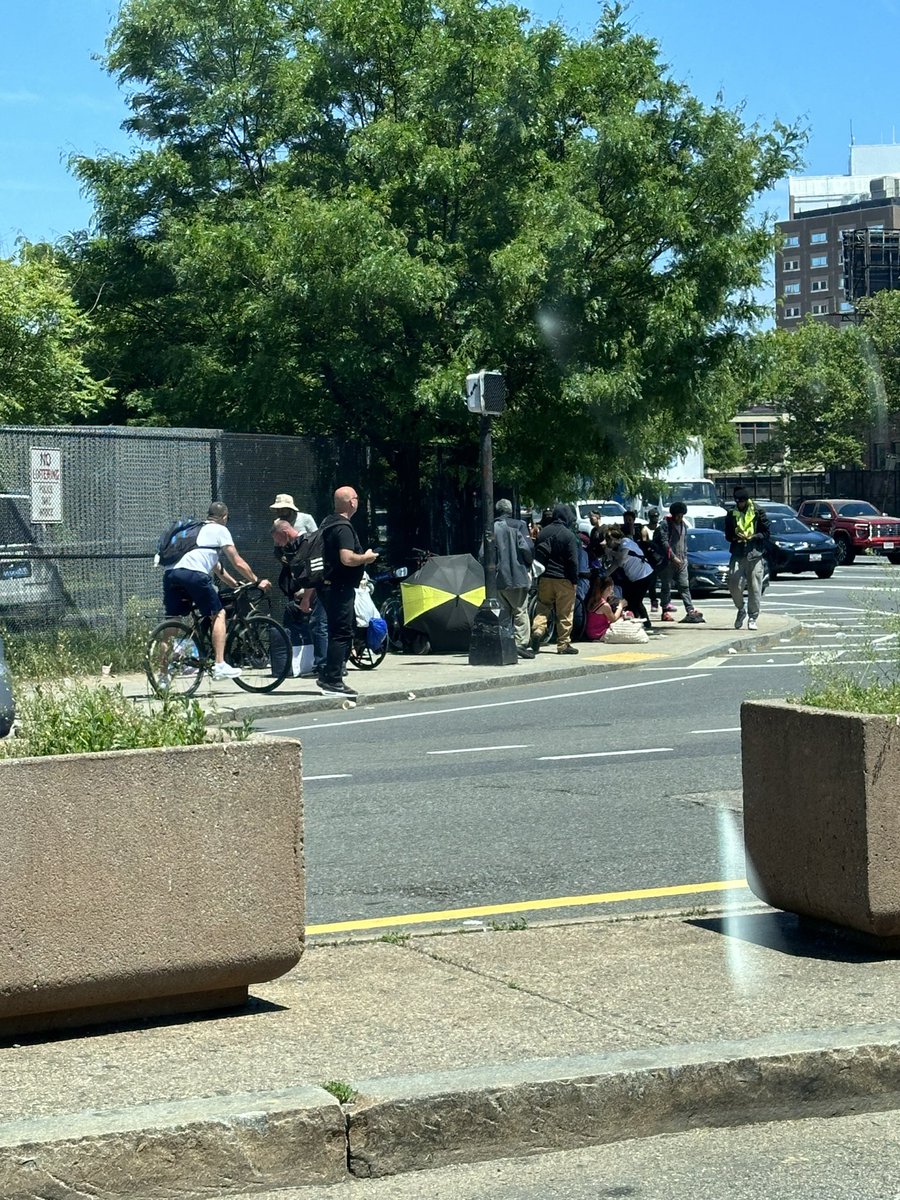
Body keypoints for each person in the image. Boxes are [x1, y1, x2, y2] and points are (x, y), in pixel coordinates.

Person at [163, 501, 270, 679]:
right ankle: (220, 664)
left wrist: (235, 585)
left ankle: (162, 675)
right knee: (218, 614)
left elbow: (218, 569)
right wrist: (257, 581)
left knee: (172, 622)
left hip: (171, 574)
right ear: (224, 517)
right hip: (194, 575)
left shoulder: (194, 532)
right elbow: (237, 561)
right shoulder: (220, 530)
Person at [317, 486, 378, 696]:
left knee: (340, 630)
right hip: (339, 587)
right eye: (356, 498)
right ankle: (334, 679)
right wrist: (367, 558)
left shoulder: (328, 522)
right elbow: (347, 558)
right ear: (351, 502)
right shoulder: (344, 527)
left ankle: (327, 674)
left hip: (326, 585)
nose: (357, 501)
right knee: (341, 632)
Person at [270, 491, 326, 678]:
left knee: (317, 619)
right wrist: (284, 560)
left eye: (283, 510)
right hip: (294, 570)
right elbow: (277, 549)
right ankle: (301, 655)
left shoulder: (305, 521)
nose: (280, 513)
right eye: (278, 510)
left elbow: (317, 541)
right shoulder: (278, 526)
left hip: (309, 567)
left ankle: (322, 661)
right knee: (297, 611)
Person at [486, 499, 535, 659]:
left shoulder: (490, 527)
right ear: (511, 510)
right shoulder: (518, 525)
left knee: (504, 613)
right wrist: (528, 564)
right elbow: (526, 548)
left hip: (498, 579)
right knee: (520, 610)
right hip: (517, 575)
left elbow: (482, 554)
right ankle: (520, 644)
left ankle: (506, 642)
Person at [530, 504, 581, 654]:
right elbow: (573, 561)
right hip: (564, 579)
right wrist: (574, 580)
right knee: (565, 613)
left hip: (545, 577)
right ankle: (563, 644)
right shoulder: (568, 535)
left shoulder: (543, 532)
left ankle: (538, 630)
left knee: (543, 607)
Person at [725, 487, 770, 630]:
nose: (740, 504)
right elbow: (727, 535)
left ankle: (753, 617)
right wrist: (735, 537)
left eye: (743, 502)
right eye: (738, 502)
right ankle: (741, 609)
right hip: (738, 552)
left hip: (755, 553)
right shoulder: (731, 513)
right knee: (733, 584)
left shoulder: (758, 511)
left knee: (755, 587)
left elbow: (767, 532)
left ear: (747, 500)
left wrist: (754, 537)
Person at [654, 501, 704, 624]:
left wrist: (683, 557)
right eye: (678, 515)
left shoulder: (684, 525)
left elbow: (684, 542)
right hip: (669, 562)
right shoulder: (665, 525)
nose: (679, 517)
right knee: (666, 586)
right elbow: (664, 543)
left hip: (682, 561)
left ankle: (690, 610)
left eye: (681, 515)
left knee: (684, 586)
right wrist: (672, 557)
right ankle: (665, 610)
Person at [606, 527, 654, 631]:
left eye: (609, 539)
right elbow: (616, 565)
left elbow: (622, 558)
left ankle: (643, 623)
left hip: (644, 575)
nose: (607, 543)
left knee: (635, 601)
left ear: (614, 538)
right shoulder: (618, 549)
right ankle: (642, 622)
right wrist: (604, 575)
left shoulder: (626, 542)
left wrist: (610, 553)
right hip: (635, 578)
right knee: (633, 600)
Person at [584, 572, 627, 641]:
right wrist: (620, 606)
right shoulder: (604, 605)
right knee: (626, 617)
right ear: (609, 588)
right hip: (599, 633)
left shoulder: (593, 599)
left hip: (591, 632)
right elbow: (614, 619)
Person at [642, 508, 661, 611]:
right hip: (650, 558)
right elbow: (645, 544)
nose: (655, 518)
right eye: (653, 517)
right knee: (652, 582)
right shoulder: (645, 529)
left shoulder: (661, 528)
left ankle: (666, 603)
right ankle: (654, 602)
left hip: (661, 557)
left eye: (656, 516)